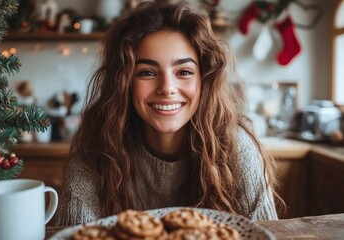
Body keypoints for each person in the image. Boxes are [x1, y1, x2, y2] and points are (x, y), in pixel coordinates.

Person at [55, 1, 284, 226]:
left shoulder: (238, 148)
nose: (167, 87)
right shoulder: (96, 151)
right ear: (124, 82)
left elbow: (263, 233)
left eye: (184, 71)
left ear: (203, 80)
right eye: (147, 72)